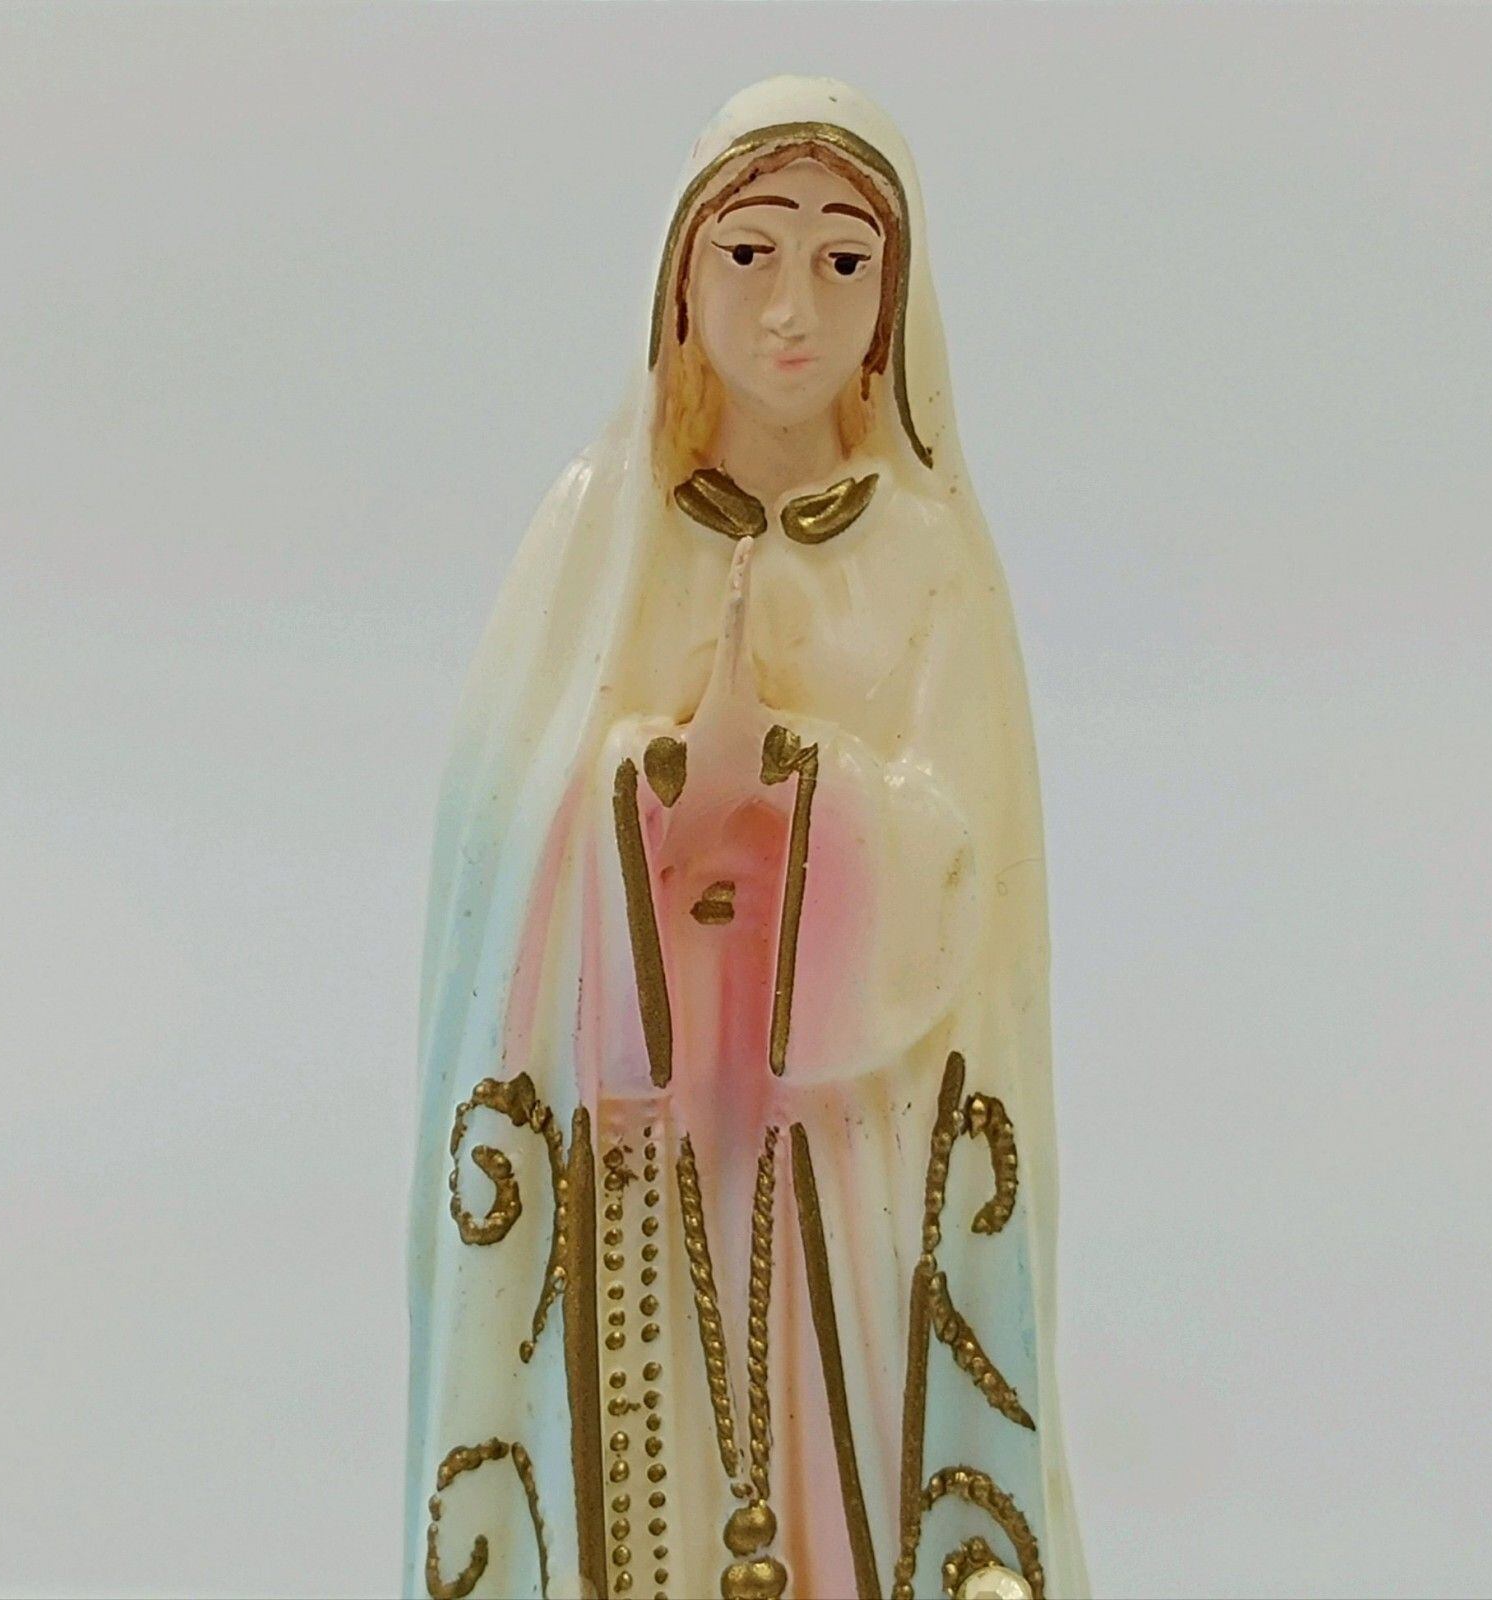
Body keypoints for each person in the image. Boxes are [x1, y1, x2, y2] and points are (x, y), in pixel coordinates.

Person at [405, 74, 1089, 1600]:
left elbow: (968, 864)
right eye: (748, 252)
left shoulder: (924, 560)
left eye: (843, 261)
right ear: (680, 278)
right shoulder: (598, 535)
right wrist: (644, 786)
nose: (793, 308)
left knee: (840, 1464)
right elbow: (499, 833)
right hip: (638, 1147)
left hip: (845, 1153)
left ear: (893, 302)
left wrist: (792, 784)